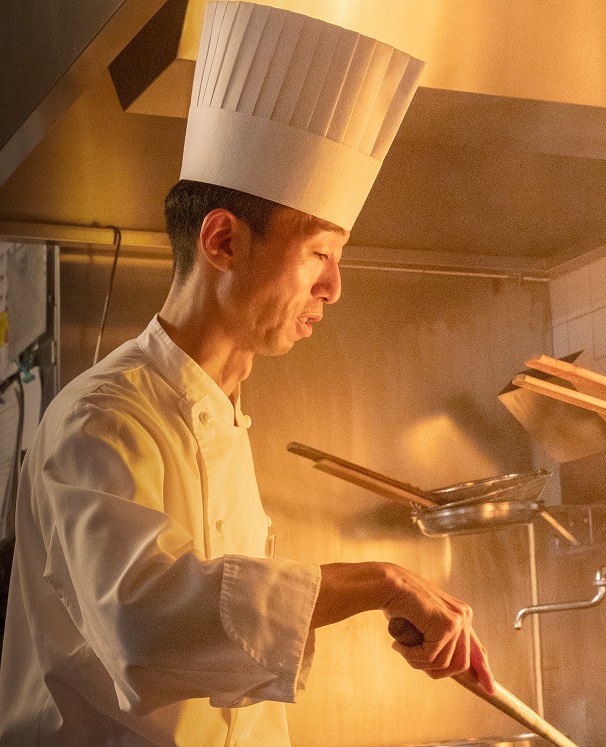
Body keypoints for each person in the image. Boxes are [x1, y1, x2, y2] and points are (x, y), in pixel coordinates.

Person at [0, 3, 493, 744]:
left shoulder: (222, 414)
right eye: (319, 253)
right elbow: (144, 621)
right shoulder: (101, 417)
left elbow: (224, 659)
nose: (334, 287)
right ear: (224, 241)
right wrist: (380, 581)